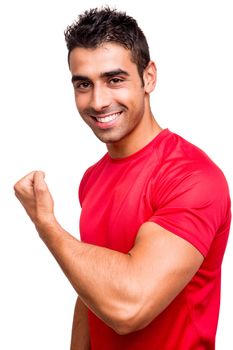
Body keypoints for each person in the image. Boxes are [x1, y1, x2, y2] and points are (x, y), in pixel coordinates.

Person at [14, 7, 231, 350]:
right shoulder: (93, 178)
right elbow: (93, 290)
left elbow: (129, 308)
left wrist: (46, 224)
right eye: (84, 84)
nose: (98, 101)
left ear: (149, 78)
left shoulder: (192, 177)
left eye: (114, 80)